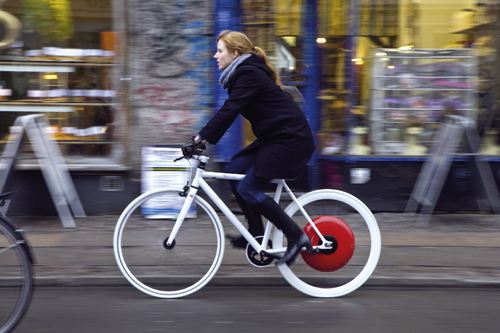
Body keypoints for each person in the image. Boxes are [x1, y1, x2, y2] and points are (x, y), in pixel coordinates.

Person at [193, 30, 315, 266]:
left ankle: (296, 235)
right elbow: (232, 107)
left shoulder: (248, 73)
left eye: (220, 51)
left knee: (248, 187)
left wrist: (202, 138)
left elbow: (231, 109)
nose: (215, 56)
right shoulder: (244, 73)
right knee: (235, 169)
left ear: (235, 53)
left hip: (290, 141)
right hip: (276, 138)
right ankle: (257, 235)